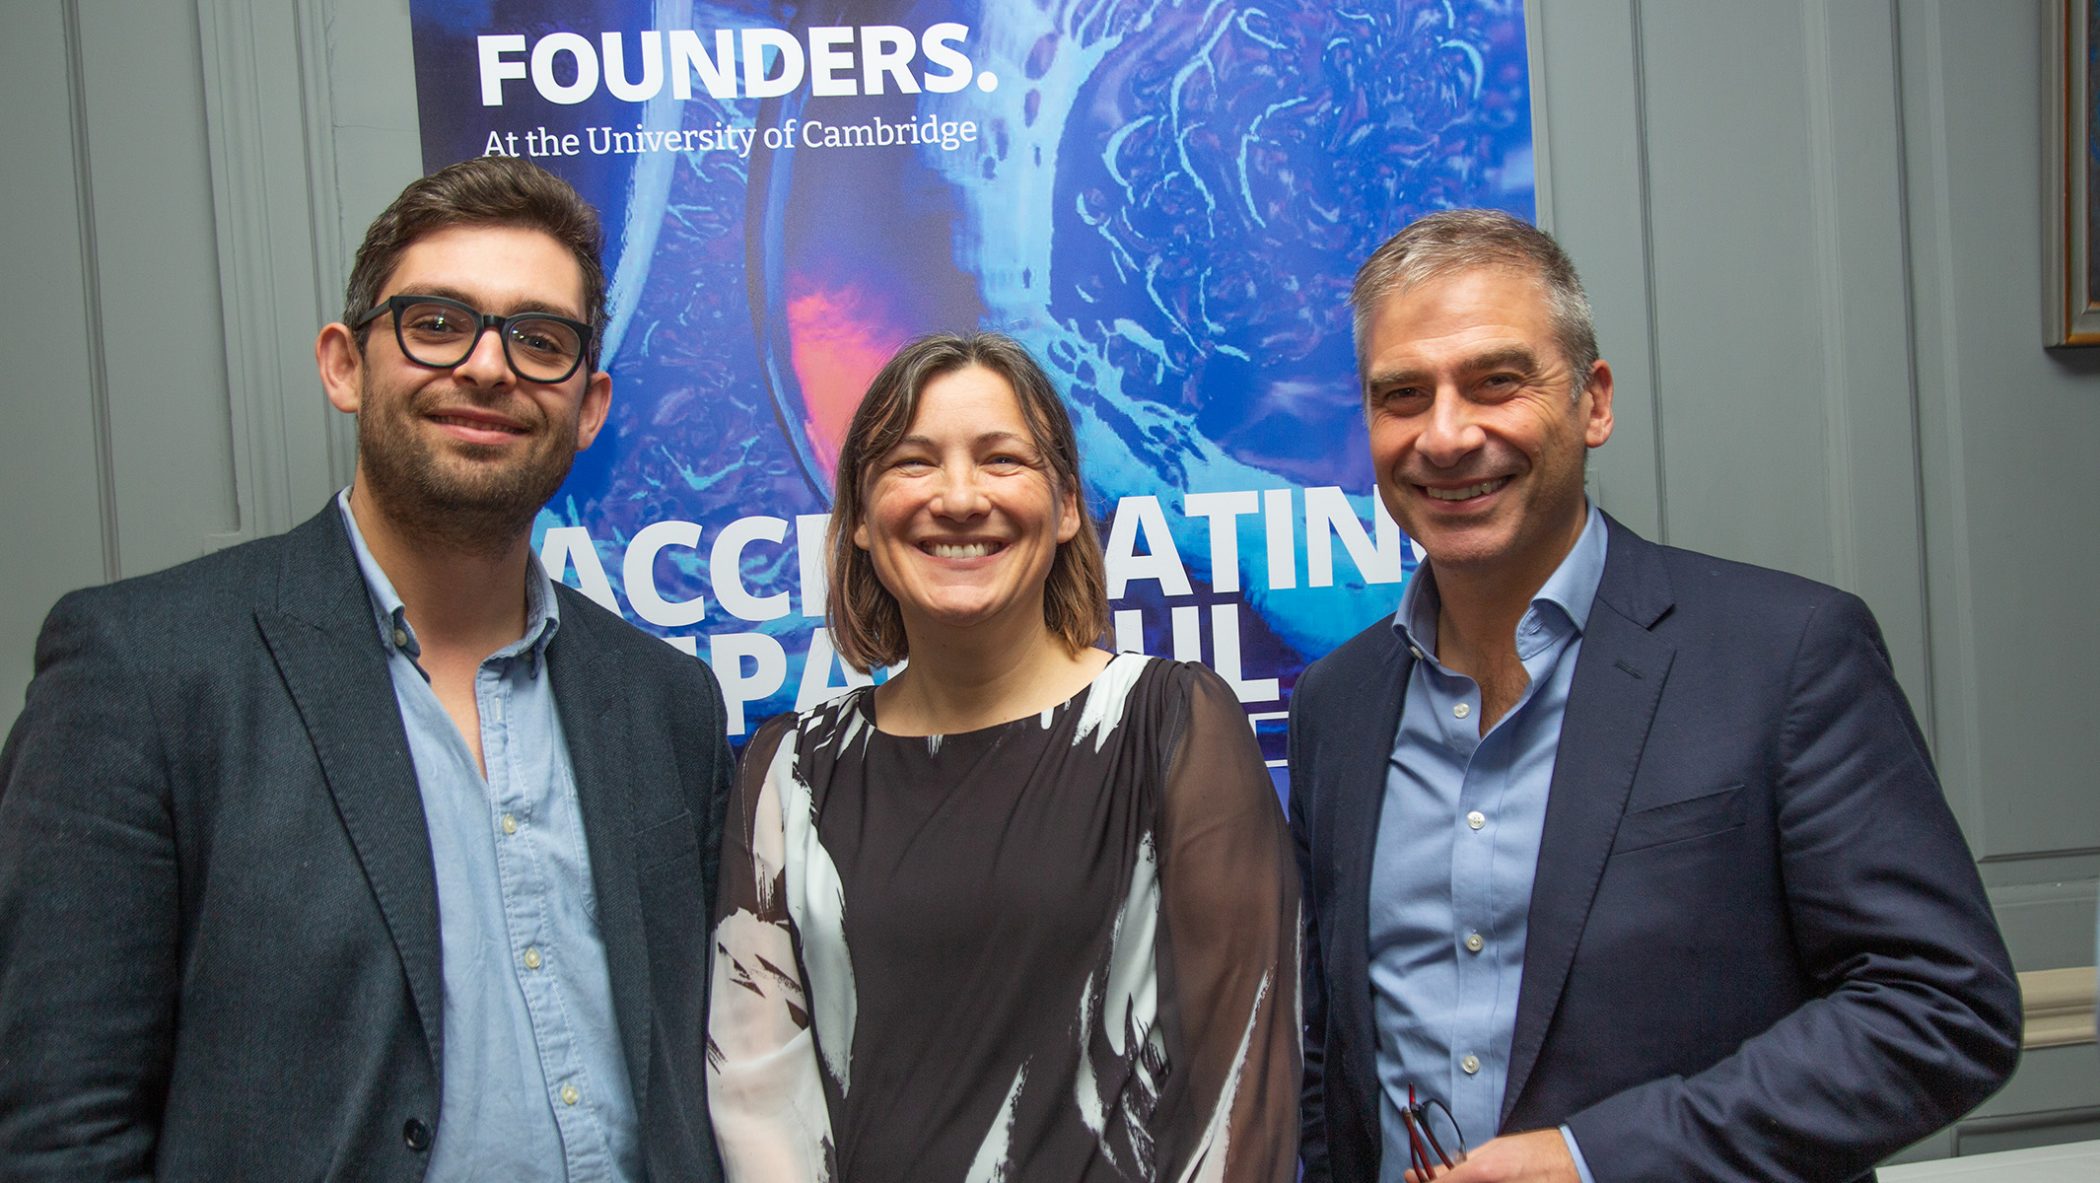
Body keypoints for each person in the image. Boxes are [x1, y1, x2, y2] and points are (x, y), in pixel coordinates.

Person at [0, 156, 733, 1180]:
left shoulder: (667, 702)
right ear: (345, 365)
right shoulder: (143, 670)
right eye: (437, 322)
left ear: (589, 404)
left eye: (540, 339)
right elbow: (61, 1130)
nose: (489, 366)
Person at [1289, 210, 2020, 1183]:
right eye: (1403, 395)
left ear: (1593, 402)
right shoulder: (1337, 703)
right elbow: (1330, 1049)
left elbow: (1944, 1008)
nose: (1448, 434)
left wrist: (1596, 1160)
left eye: (1497, 381)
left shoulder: (1787, 654)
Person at [706, 332, 1300, 1181]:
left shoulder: (1172, 727)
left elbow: (1241, 1099)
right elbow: (759, 1097)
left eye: (1001, 459)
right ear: (861, 519)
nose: (958, 497)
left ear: (1066, 506)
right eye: (913, 462)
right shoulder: (789, 773)